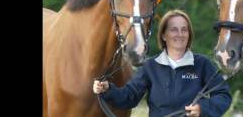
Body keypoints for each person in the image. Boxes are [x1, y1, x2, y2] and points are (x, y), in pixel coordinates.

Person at [93, 9, 232, 117]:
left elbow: (223, 96)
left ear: (189, 34)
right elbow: (129, 97)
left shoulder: (202, 64)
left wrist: (203, 108)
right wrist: (107, 89)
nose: (180, 34)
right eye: (174, 29)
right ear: (164, 35)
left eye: (184, 30)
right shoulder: (150, 66)